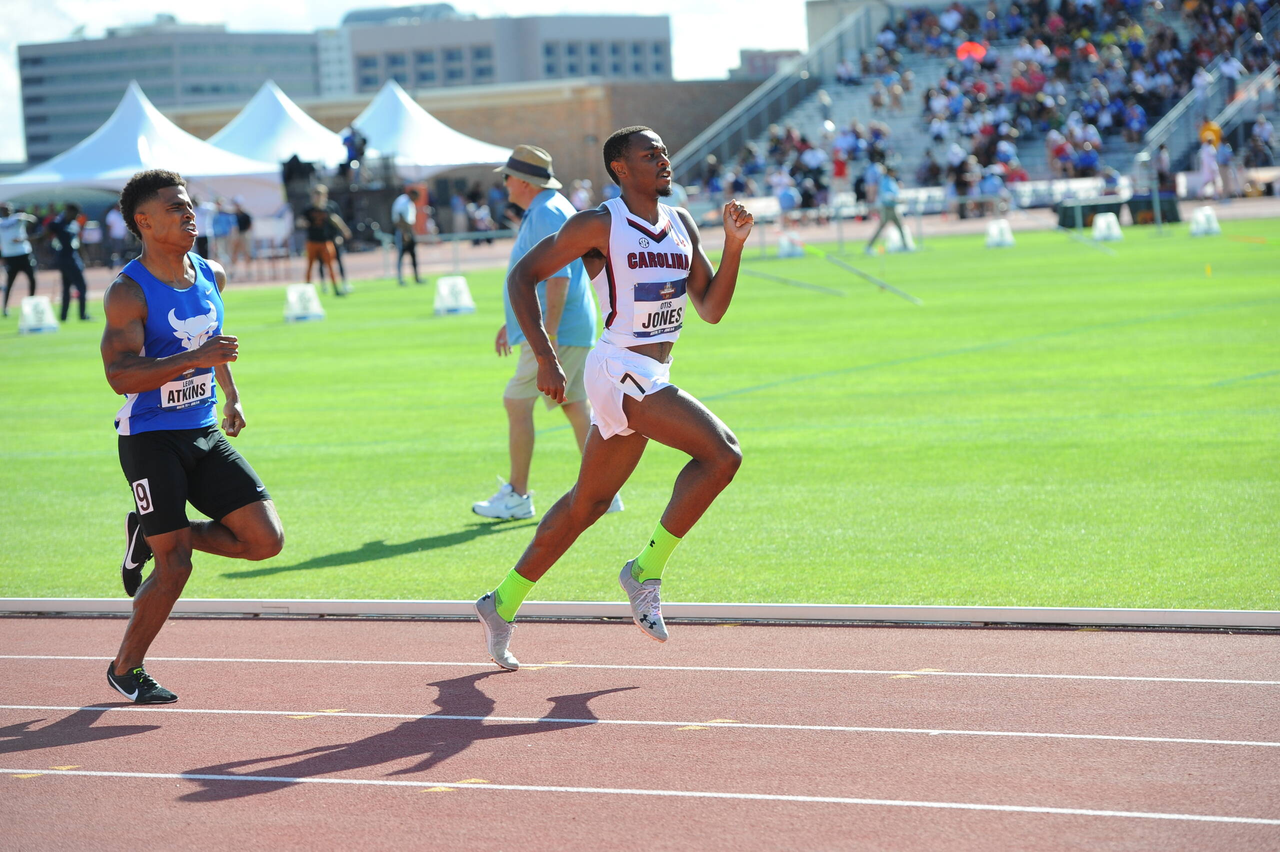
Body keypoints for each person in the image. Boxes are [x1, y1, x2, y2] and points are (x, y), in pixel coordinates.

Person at [473, 127, 753, 669]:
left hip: (650, 370)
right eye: (651, 154)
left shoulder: (681, 223)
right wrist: (549, 358)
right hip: (619, 366)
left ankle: (500, 603)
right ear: (621, 169)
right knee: (723, 453)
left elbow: (711, 309)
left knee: (589, 504)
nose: (664, 160)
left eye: (665, 151)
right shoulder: (599, 224)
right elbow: (522, 277)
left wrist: (734, 246)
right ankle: (645, 571)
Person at [101, 168, 284, 703]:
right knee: (175, 565)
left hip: (202, 429)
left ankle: (151, 529)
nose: (189, 214)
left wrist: (231, 393)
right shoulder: (128, 292)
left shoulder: (211, 273)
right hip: (150, 438)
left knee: (264, 540)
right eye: (176, 207)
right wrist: (195, 359)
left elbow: (213, 342)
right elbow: (120, 377)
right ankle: (125, 669)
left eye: (189, 205)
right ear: (145, 222)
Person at [472, 145, 618, 522]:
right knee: (574, 406)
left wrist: (545, 341)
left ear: (521, 182)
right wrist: (515, 320)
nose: (504, 183)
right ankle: (606, 490)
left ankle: (519, 495)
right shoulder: (549, 208)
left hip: (558, 330)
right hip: (565, 328)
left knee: (516, 402)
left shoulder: (546, 212)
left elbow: (557, 279)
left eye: (507, 176)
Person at [297, 185, 350, 295]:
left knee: (330, 266)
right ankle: (308, 291)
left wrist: (344, 230)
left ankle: (336, 288)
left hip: (325, 241)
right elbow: (300, 221)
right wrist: (302, 223)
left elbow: (335, 219)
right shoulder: (308, 209)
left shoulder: (328, 208)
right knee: (310, 266)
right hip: (312, 241)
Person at [47, 204, 91, 321]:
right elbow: (45, 234)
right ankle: (82, 315)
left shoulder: (74, 224)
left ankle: (63, 316)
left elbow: (78, 242)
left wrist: (84, 256)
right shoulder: (58, 223)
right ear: (68, 212)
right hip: (66, 258)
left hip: (73, 257)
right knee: (81, 286)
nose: (77, 216)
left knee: (67, 287)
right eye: (75, 213)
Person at [0, 203, 39, 317]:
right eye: (4, 209)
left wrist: (26, 217)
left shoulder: (18, 217)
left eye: (8, 209)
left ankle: (31, 303)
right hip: (10, 256)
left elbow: (33, 220)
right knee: (10, 282)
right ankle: (5, 308)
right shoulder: (1, 222)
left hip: (23, 253)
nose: (6, 211)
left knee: (32, 279)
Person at [865, 165, 908, 252]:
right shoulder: (884, 181)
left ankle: (905, 246)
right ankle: (869, 247)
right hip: (887, 208)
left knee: (900, 227)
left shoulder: (892, 181)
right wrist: (897, 199)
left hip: (893, 207)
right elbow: (886, 196)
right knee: (881, 228)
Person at [390, 187, 423, 286]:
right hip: (402, 231)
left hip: (408, 230)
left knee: (413, 254)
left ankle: (416, 277)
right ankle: (400, 279)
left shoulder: (409, 202)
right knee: (401, 255)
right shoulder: (403, 201)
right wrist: (405, 233)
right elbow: (400, 217)